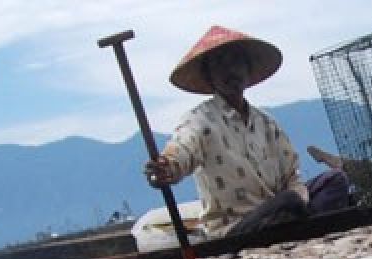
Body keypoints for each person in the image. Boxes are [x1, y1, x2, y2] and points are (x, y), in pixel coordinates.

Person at [143, 26, 350, 239]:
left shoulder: (266, 123)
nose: (230, 71)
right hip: (237, 227)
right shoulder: (199, 121)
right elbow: (182, 150)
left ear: (247, 69)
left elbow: (291, 175)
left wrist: (301, 200)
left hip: (280, 212)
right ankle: (304, 225)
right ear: (210, 76)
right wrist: (166, 167)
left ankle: (302, 224)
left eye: (235, 62)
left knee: (335, 180)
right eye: (220, 64)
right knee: (288, 202)